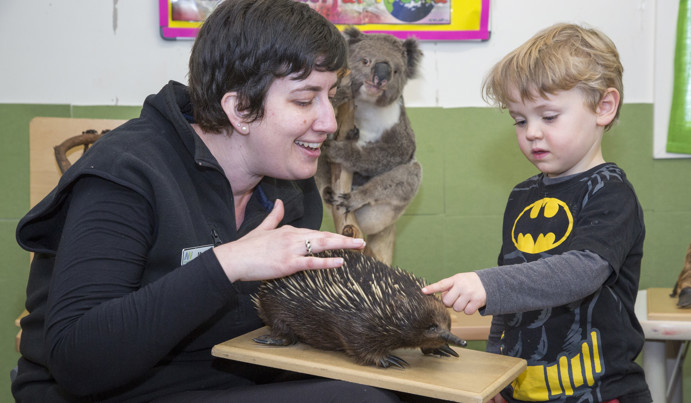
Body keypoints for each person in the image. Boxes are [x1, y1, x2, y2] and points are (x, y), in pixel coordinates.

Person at [12, 0, 402, 402]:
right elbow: (79, 363)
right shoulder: (126, 172)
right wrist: (228, 263)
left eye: (331, 97)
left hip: (231, 383)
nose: (329, 122)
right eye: (304, 101)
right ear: (240, 109)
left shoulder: (291, 187)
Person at [422, 23, 652, 403]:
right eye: (519, 119)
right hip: (525, 391)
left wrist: (487, 285)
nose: (531, 132)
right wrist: (495, 375)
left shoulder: (611, 192)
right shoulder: (523, 195)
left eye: (548, 116)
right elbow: (514, 295)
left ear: (603, 108)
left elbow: (582, 271)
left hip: (600, 392)